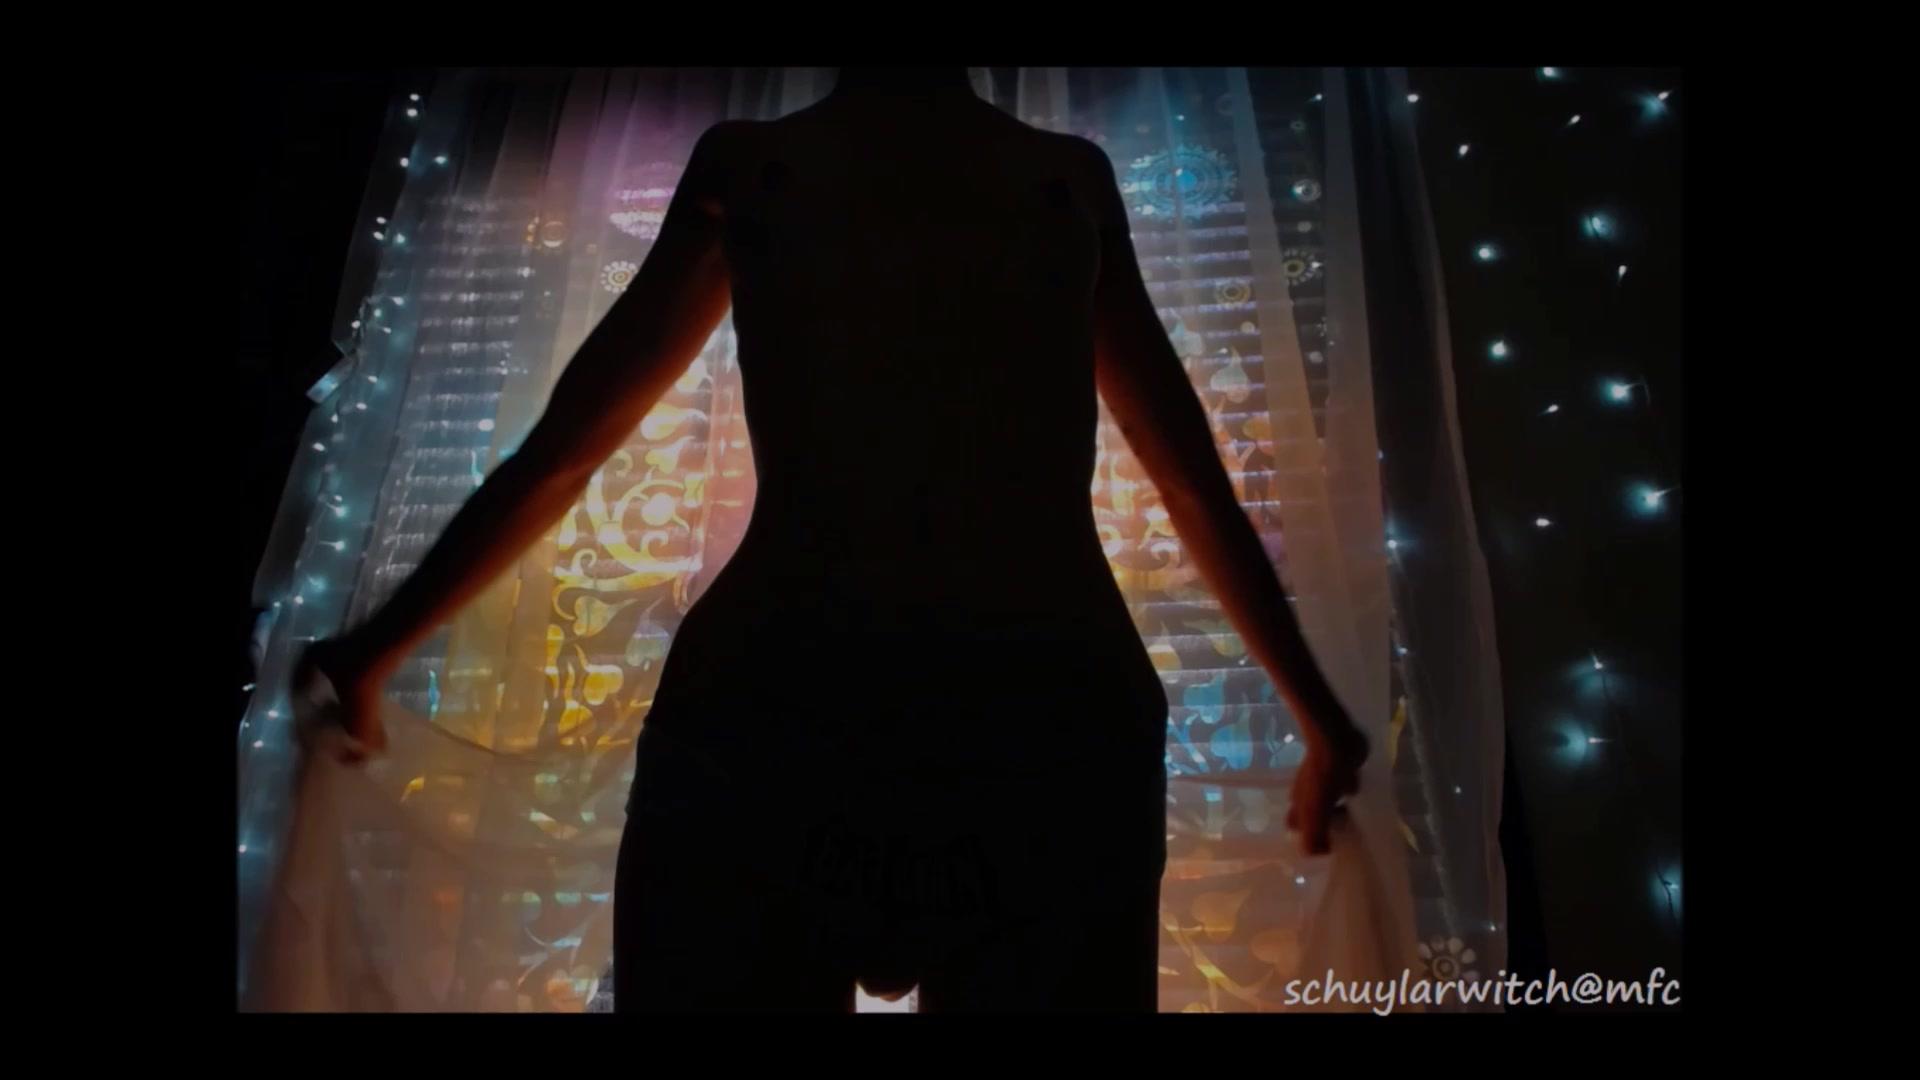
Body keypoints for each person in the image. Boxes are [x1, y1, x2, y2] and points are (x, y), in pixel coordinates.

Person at [294, 65, 1367, 1013]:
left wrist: (378, 647)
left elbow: (566, 454)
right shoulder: (1061, 183)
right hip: (1038, 712)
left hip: (784, 707)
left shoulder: (762, 170)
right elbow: (1186, 480)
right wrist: (1319, 718)